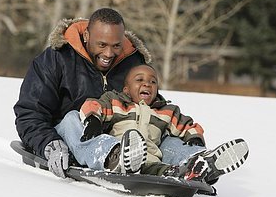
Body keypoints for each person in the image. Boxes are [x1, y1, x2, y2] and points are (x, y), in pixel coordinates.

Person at [14, 8, 209, 178]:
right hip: (72, 136)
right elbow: (30, 113)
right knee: (73, 118)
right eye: (102, 45)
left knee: (158, 132)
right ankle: (113, 157)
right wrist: (49, 143)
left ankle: (195, 161)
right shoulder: (56, 59)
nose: (109, 53)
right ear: (87, 36)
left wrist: (184, 132)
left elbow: (149, 103)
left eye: (116, 46)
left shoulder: (133, 62)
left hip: (125, 134)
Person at [78, 64, 249, 183]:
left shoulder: (166, 111)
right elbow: (93, 105)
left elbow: (186, 125)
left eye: (153, 82)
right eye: (139, 80)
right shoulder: (117, 103)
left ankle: (199, 163)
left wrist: (195, 138)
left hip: (152, 161)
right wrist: (93, 119)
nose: (147, 83)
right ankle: (126, 160)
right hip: (122, 154)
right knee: (127, 149)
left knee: (167, 167)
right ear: (126, 89)